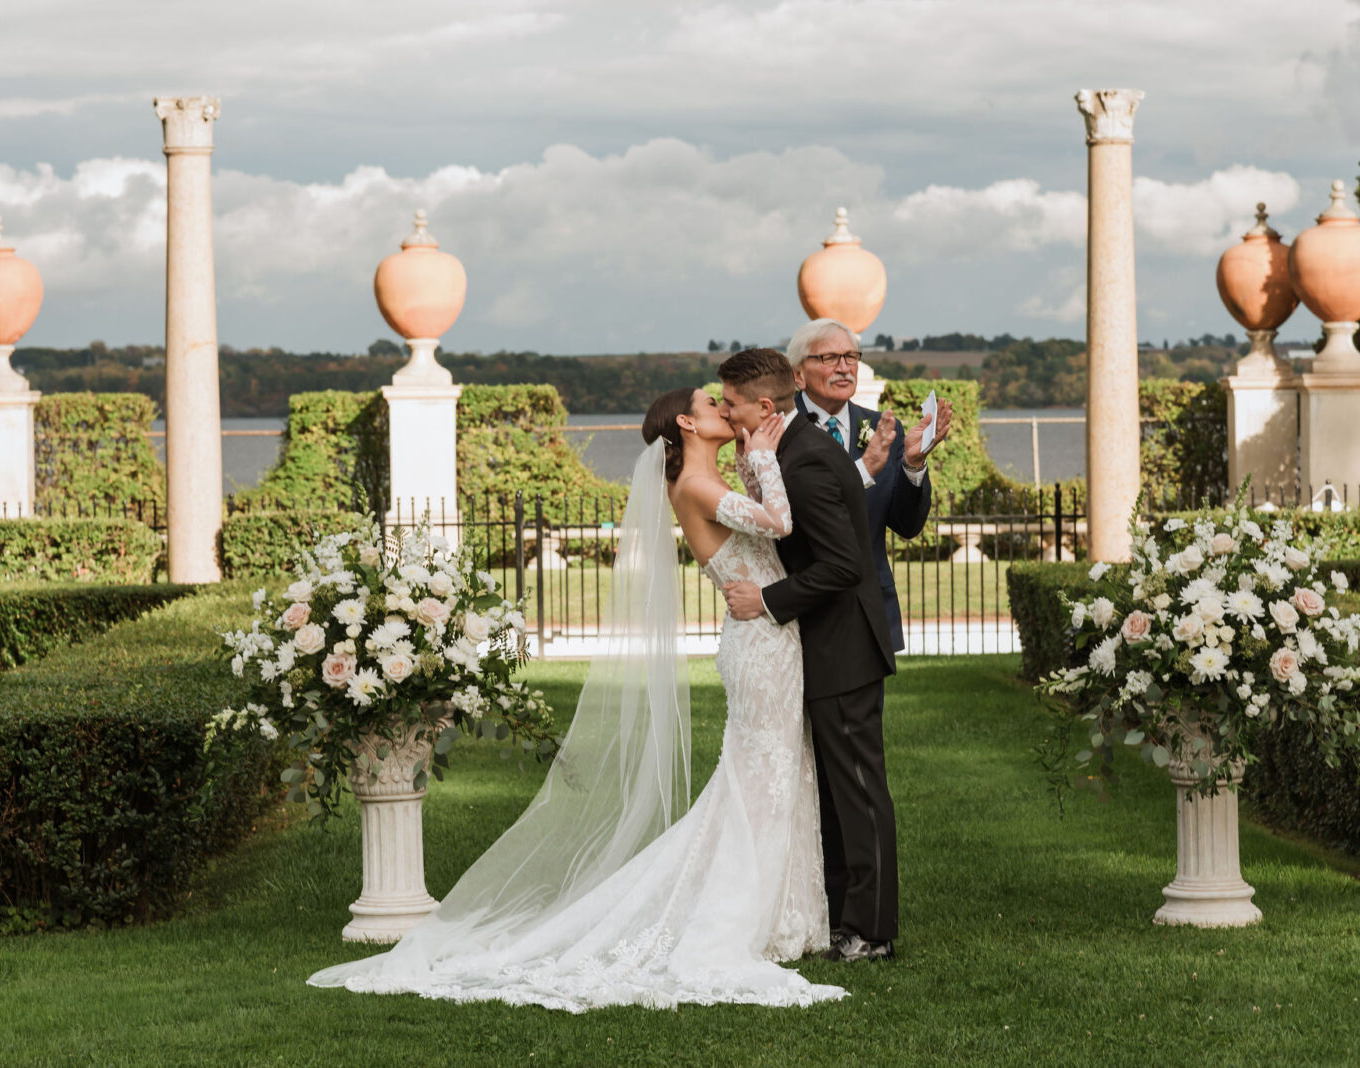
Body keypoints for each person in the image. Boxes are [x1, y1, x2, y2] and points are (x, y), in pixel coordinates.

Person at [307, 383, 844, 1011]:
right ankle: (742, 918)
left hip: (769, 637)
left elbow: (776, 530)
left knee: (774, 775)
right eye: (712, 404)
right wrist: (765, 461)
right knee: (760, 780)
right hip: (759, 645)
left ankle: (786, 915)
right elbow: (780, 521)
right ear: (687, 424)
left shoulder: (710, 479)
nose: (726, 410)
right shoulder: (697, 486)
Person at [718, 348, 900, 963]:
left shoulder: (807, 462)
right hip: (820, 646)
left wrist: (767, 599)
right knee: (832, 793)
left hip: (842, 646)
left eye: (731, 402)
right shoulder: (786, 452)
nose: (724, 410)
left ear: (763, 407)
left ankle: (872, 932)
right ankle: (844, 918)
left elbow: (844, 565)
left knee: (857, 790)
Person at [785, 318, 954, 652]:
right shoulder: (780, 430)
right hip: (801, 612)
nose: (845, 368)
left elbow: (907, 526)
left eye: (851, 357)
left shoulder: (883, 428)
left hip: (869, 612)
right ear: (798, 374)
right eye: (829, 358)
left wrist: (913, 464)